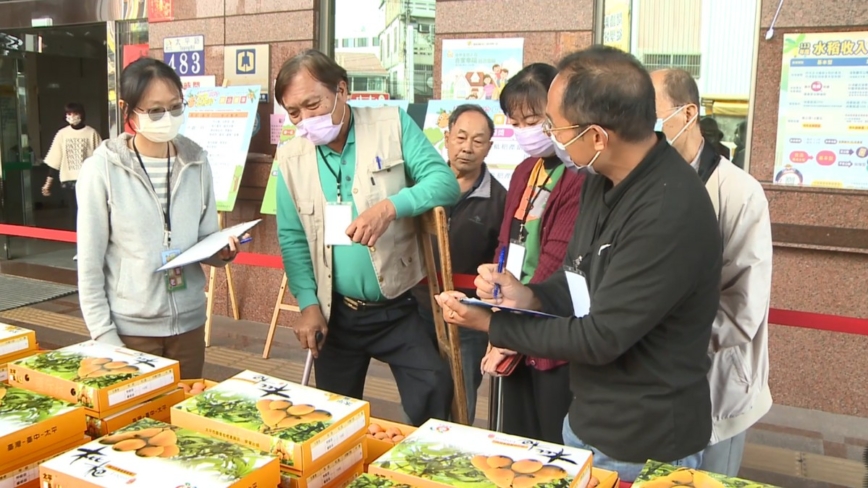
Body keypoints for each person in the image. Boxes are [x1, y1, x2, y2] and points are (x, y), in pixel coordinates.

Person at [435, 45, 722, 482]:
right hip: (587, 418)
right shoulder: (598, 179)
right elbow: (577, 281)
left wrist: (490, 324)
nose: (547, 135)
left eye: (553, 124)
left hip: (644, 440)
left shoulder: (668, 209)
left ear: (597, 136)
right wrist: (526, 294)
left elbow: (601, 337)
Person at [274, 49, 458, 426]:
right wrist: (308, 304)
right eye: (294, 113)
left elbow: (445, 183)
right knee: (332, 420)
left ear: (342, 90)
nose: (306, 120)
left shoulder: (392, 124)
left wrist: (391, 207)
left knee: (435, 390)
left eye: (313, 104)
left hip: (398, 304)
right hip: (336, 312)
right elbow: (292, 238)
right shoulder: (291, 158)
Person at [76, 58, 239, 379]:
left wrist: (221, 252)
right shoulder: (103, 169)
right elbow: (89, 264)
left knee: (184, 419)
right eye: (155, 110)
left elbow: (207, 234)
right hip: (129, 331)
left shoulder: (197, 161)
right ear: (127, 110)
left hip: (190, 327)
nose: (168, 118)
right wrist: (104, 335)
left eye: (176, 107)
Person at [651, 68, 772, 477]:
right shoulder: (641, 184)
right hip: (651, 384)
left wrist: (670, 341)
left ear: (687, 114)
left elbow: (743, 306)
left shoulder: (739, 192)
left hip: (717, 383)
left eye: (649, 114)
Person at [479, 62, 585, 444]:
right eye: (516, 121)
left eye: (534, 119)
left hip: (551, 328)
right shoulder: (525, 169)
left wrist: (517, 321)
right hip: (514, 314)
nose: (525, 130)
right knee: (515, 437)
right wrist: (496, 291)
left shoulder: (578, 174)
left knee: (553, 438)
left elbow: (559, 258)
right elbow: (508, 239)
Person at [411, 104, 506, 424]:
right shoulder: (423, 187)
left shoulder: (500, 200)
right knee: (421, 393)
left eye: (478, 141)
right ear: (447, 138)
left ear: (489, 147)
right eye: (461, 137)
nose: (467, 147)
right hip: (420, 311)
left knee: (460, 398)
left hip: (468, 318)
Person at [42, 102, 102, 198]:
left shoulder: (92, 133)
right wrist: (48, 183)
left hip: (87, 179)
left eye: (75, 113)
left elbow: (100, 158)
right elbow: (55, 159)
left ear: (81, 114)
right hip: (68, 180)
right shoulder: (62, 134)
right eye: (69, 114)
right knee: (73, 210)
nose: (72, 116)